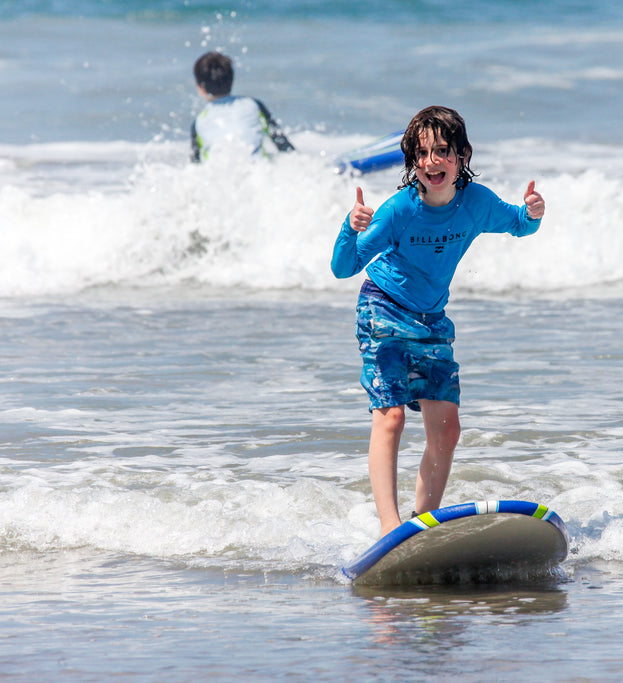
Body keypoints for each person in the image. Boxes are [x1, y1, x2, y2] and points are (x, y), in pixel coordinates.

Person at [330, 105, 546, 536]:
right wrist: (349, 228)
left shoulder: (476, 204)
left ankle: (419, 525)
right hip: (384, 307)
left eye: (443, 151)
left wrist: (534, 211)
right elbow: (344, 266)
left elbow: (519, 225)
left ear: (462, 155)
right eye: (423, 154)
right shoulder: (398, 211)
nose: (432, 162)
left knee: (447, 429)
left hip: (431, 319)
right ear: (412, 161)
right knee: (390, 416)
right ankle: (391, 528)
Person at [190, 51, 294, 162]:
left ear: (200, 87)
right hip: (258, 171)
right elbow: (284, 146)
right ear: (232, 80)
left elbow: (196, 165)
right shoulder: (253, 105)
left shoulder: (198, 123)